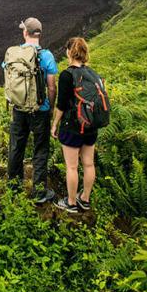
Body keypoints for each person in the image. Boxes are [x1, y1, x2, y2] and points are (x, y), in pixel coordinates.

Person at [5, 17, 58, 204]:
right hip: (40, 110)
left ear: (25, 32)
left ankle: (13, 189)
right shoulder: (47, 56)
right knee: (40, 149)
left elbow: (8, 75)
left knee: (16, 147)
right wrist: (50, 108)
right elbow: (52, 87)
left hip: (18, 108)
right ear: (39, 34)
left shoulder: (13, 53)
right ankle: (39, 192)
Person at [52, 37, 98, 213]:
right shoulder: (91, 73)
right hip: (90, 126)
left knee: (72, 167)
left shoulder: (67, 75)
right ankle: (85, 199)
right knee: (88, 164)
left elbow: (61, 105)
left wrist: (54, 125)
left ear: (69, 52)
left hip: (72, 127)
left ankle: (71, 203)